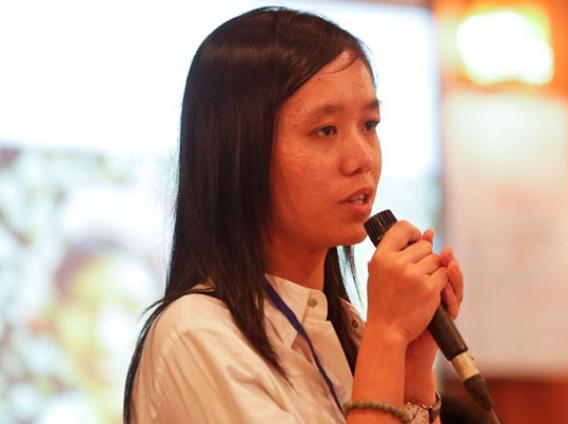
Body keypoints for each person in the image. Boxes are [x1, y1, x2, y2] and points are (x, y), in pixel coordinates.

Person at [122, 6, 464, 424]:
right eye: (326, 131)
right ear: (242, 153)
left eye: (369, 125)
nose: (362, 158)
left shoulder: (349, 328)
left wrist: (412, 363)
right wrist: (389, 336)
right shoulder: (195, 336)